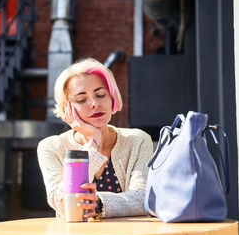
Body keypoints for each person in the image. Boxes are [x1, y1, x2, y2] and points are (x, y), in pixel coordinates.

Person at [37, 57, 153, 222]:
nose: (94, 104)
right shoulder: (51, 147)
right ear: (67, 109)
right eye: (81, 99)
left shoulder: (137, 140)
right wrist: (93, 145)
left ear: (111, 98)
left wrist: (98, 203)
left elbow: (144, 199)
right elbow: (62, 204)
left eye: (100, 95)